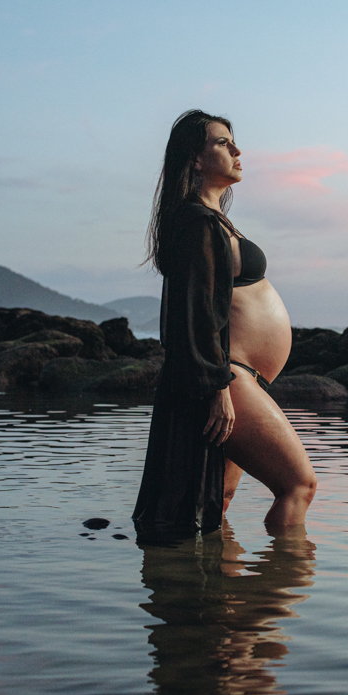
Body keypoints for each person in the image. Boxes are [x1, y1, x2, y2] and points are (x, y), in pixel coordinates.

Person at [132, 109, 317, 541]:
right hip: (227, 378)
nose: (236, 150)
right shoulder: (196, 223)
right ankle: (281, 593)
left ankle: (218, 602)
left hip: (239, 377)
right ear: (194, 159)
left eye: (233, 141)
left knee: (220, 501)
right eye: (221, 142)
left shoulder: (210, 219)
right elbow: (194, 315)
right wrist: (217, 389)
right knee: (299, 486)